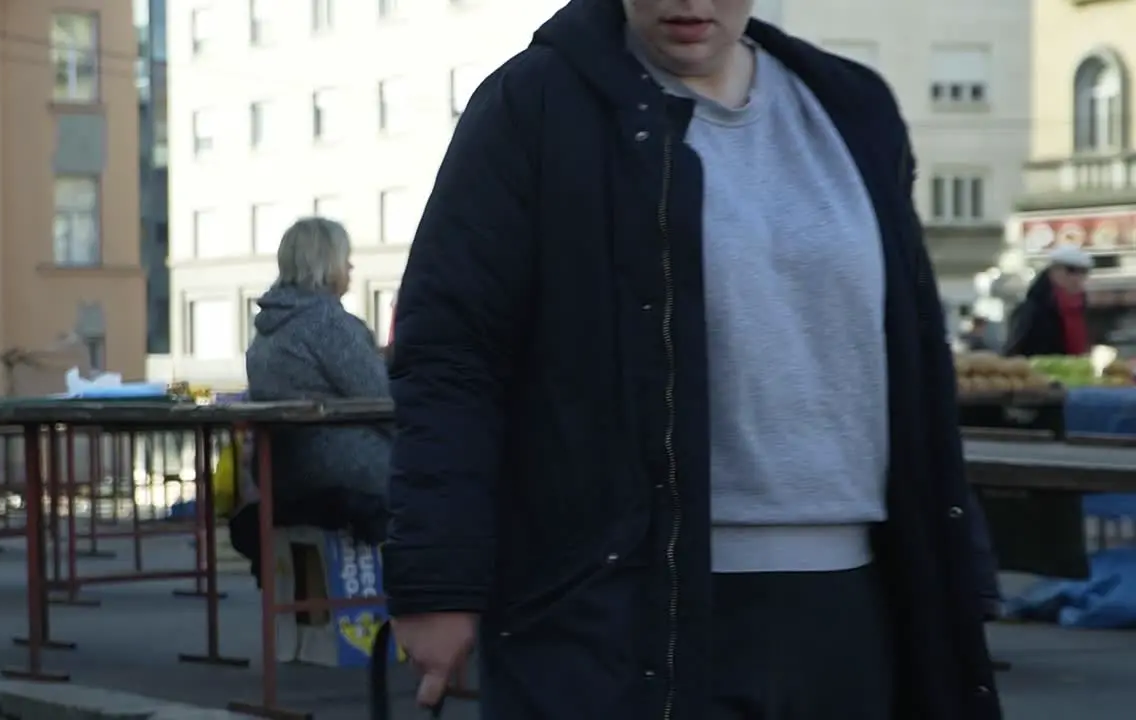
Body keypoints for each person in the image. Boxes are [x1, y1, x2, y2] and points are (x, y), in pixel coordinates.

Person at [384, 1, 1000, 719]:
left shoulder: (852, 107)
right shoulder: (537, 105)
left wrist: (961, 562)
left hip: (853, 601)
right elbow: (452, 353)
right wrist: (438, 582)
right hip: (618, 602)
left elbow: (915, 357)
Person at [230, 218, 392, 584]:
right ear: (326, 262)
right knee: (446, 473)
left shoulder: (267, 329)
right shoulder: (327, 323)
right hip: (341, 475)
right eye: (345, 258)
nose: (350, 267)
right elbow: (383, 399)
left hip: (280, 477)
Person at [1005, 244, 1093, 357]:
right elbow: (1015, 349)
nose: (1077, 277)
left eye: (1083, 271)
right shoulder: (1032, 309)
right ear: (1054, 271)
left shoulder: (1083, 309)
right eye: (1071, 270)